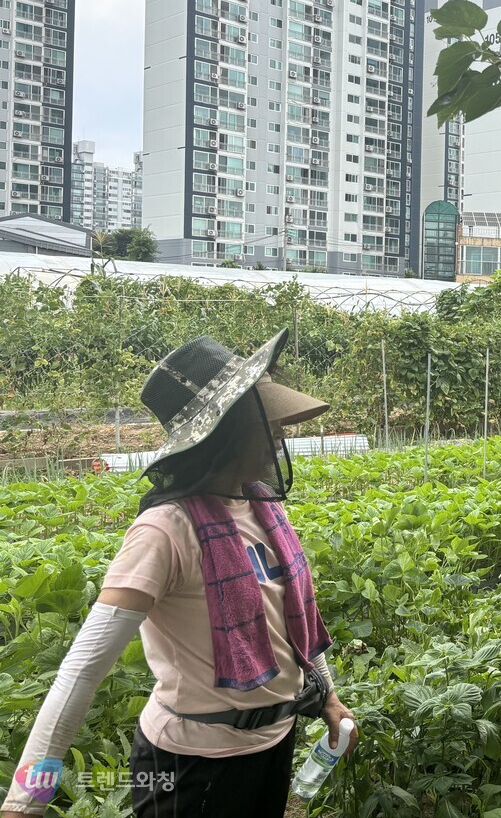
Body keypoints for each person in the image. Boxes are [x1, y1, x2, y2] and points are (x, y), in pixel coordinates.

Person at [3, 329, 357, 818]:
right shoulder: (165, 531)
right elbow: (83, 670)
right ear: (227, 430)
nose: (280, 431)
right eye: (266, 420)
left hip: (273, 743)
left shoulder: (260, 509)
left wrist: (329, 696)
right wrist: (26, 802)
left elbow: (290, 621)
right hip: (189, 764)